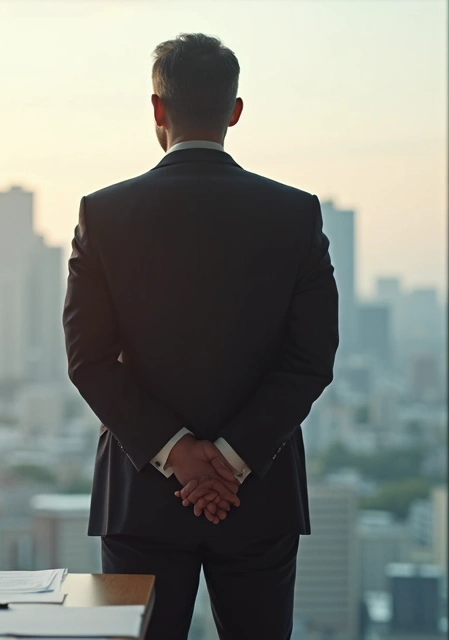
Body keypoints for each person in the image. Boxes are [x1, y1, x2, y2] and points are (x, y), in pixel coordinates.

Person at [63, 33, 339, 640]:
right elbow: (311, 361)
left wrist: (180, 455)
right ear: (235, 111)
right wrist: (231, 460)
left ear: (157, 110)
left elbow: (88, 361)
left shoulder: (104, 214)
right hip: (258, 498)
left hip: (141, 498)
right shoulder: (294, 213)